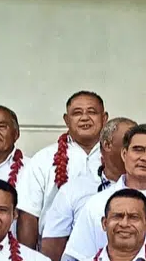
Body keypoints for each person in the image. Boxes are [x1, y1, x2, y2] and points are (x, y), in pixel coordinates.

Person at [62, 125, 146, 261]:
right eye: (138, 150)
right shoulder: (98, 203)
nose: (145, 158)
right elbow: (77, 259)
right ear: (124, 154)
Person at [17, 91, 108, 248]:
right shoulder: (44, 158)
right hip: (54, 249)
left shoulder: (117, 157)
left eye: (92, 112)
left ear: (104, 118)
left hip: (107, 247)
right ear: (66, 120)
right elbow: (29, 214)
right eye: (77, 113)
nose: (85, 118)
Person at [39, 116, 134, 261]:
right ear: (107, 145)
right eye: (130, 142)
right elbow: (53, 245)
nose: (137, 149)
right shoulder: (74, 190)